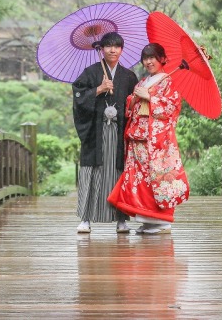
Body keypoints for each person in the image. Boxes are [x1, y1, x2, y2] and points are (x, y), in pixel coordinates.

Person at [107, 43, 189, 234]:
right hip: (138, 137)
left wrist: (151, 98)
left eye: (153, 57)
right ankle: (148, 220)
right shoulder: (143, 82)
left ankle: (161, 222)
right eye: (145, 58)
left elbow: (171, 108)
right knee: (139, 180)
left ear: (162, 59)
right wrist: (134, 99)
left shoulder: (169, 82)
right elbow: (131, 108)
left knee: (156, 179)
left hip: (156, 141)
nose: (149, 62)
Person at [72, 31, 138, 234]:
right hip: (96, 133)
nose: (112, 50)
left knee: (118, 174)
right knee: (91, 174)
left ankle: (121, 219)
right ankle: (85, 218)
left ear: (122, 50)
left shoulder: (128, 76)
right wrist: (98, 89)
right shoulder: (90, 72)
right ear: (101, 49)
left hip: (119, 133)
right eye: (108, 46)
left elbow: (134, 107)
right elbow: (78, 97)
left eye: (117, 46)